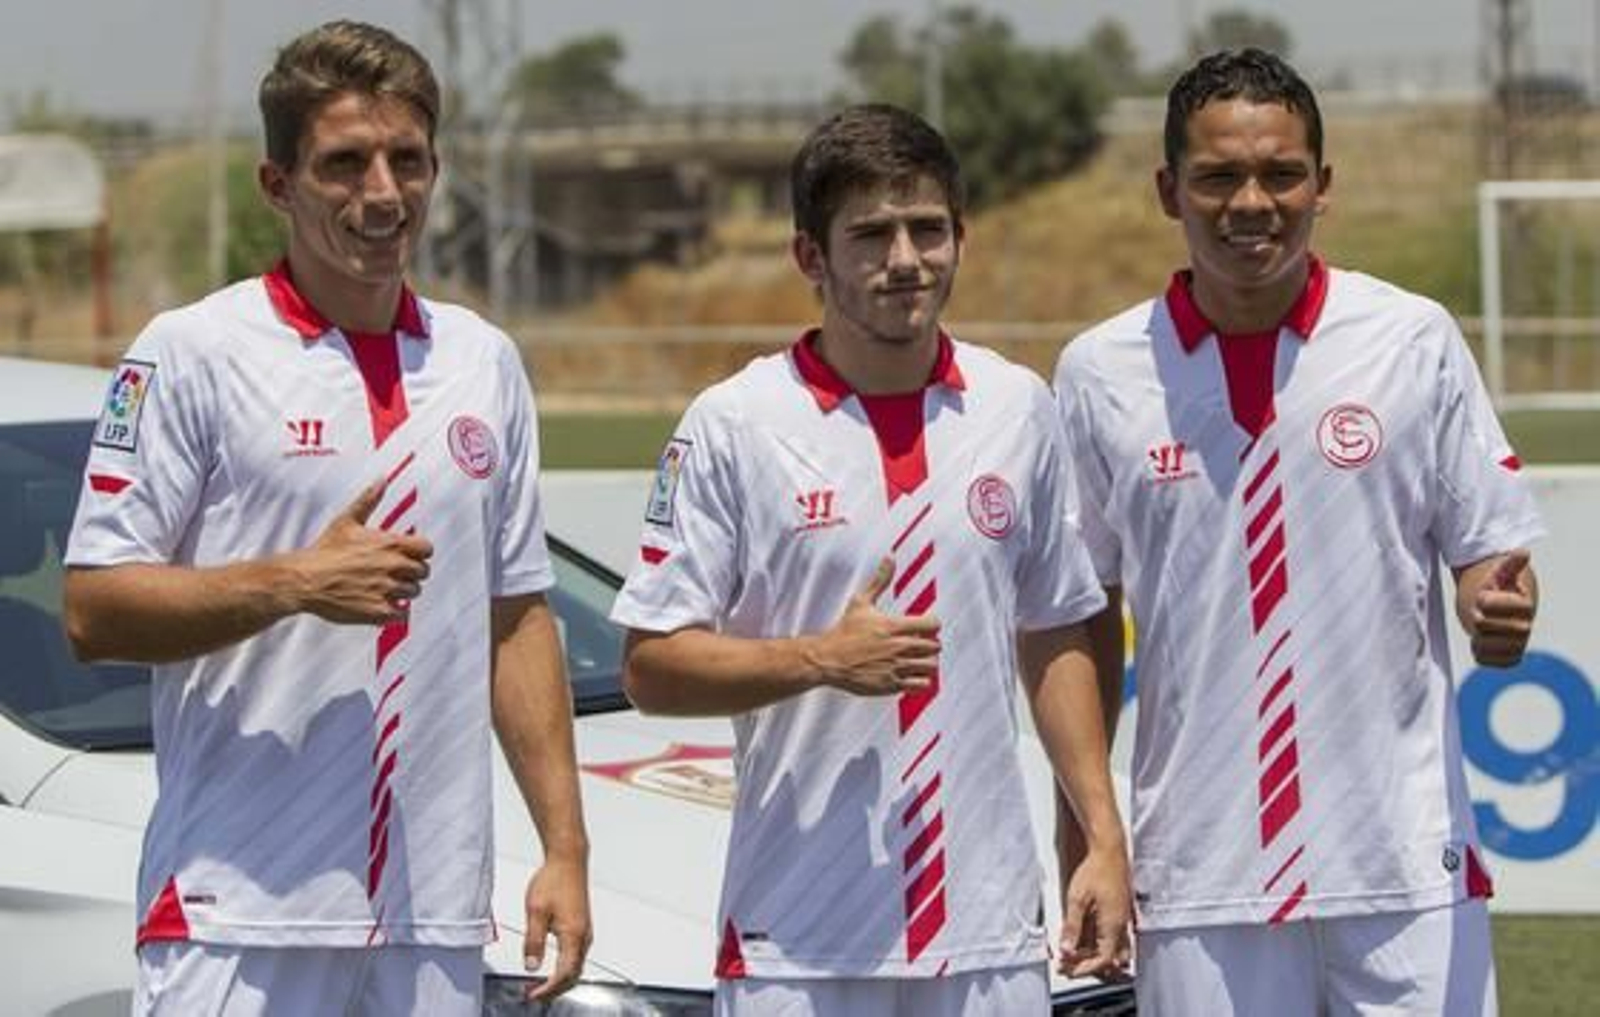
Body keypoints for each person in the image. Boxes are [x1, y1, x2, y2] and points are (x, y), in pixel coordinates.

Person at [61, 20, 590, 1016]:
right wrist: (291, 582)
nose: (382, 195)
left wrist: (564, 848)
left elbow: (515, 616)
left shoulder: (483, 361)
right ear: (278, 185)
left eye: (408, 160)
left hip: (433, 918)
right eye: (344, 164)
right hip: (240, 912)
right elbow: (94, 610)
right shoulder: (191, 353)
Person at [610, 103, 1131, 1016]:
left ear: (960, 236)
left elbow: (1054, 631)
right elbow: (652, 666)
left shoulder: (1017, 406)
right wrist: (818, 658)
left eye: (928, 229)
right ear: (810, 256)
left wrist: (1099, 831)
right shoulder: (734, 423)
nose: (905, 259)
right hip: (800, 942)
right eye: (871, 234)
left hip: (988, 935)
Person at [1052, 47, 1543, 1016]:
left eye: (1280, 175)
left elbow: (1488, 551)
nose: (1250, 202)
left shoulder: (1409, 338)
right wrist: (1091, 832)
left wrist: (1496, 604)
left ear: (1321, 187)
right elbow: (1074, 616)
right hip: (1197, 864)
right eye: (1217, 177)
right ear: (1168, 190)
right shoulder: (1098, 371)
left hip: (1400, 860)